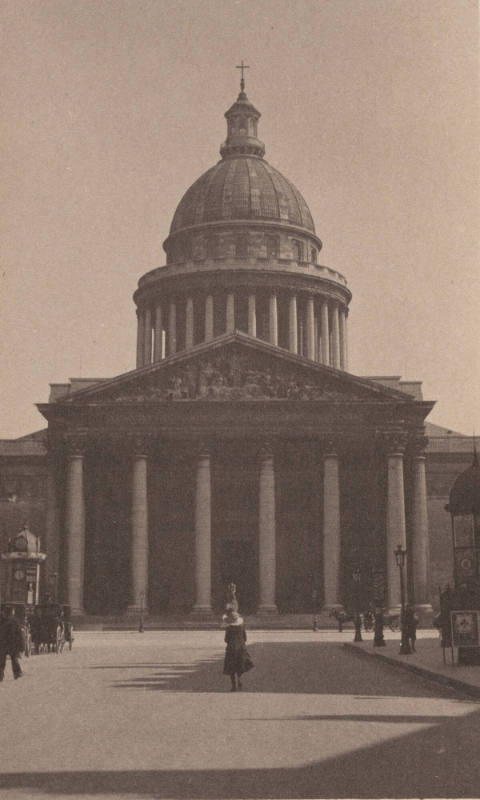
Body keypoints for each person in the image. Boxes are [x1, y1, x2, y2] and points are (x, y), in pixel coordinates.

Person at [222, 608, 253, 691]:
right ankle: (239, 678)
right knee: (240, 664)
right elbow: (245, 638)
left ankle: (233, 685)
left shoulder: (229, 628)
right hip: (241, 648)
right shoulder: (241, 627)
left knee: (231, 667)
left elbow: (226, 639)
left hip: (231, 649)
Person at [0, 606, 25, 680]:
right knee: (14, 659)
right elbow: (20, 635)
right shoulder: (15, 621)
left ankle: (0, 675)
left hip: (3, 643)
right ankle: (17, 673)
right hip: (12, 644)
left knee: (2, 660)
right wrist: (22, 646)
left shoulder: (2, 621)